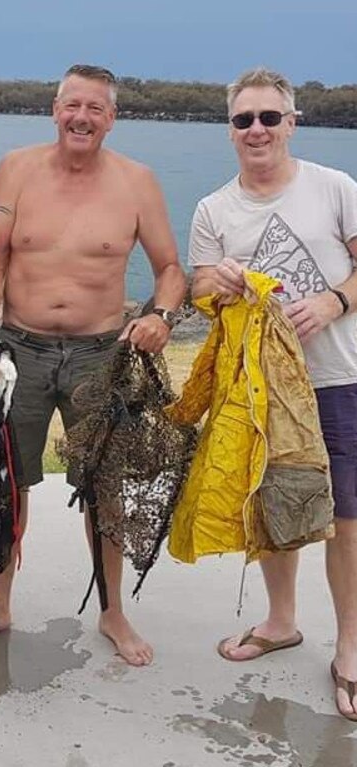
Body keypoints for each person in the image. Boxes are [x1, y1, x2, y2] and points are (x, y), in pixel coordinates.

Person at [0, 64, 186, 661]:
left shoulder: (137, 182)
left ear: (112, 118)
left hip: (99, 356)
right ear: (55, 111)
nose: (82, 118)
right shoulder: (16, 169)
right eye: (72, 106)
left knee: (104, 489)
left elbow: (169, 269)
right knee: (7, 485)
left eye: (95, 109)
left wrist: (159, 316)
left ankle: (112, 612)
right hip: (21, 348)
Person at [191, 68, 357, 722]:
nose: (255, 129)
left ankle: (350, 643)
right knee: (272, 507)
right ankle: (281, 620)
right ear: (231, 131)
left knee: (346, 515)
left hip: (338, 378)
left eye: (268, 117)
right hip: (256, 391)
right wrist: (219, 284)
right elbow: (202, 288)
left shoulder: (335, 188)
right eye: (243, 120)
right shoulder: (213, 209)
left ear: (291, 123)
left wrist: (334, 298)